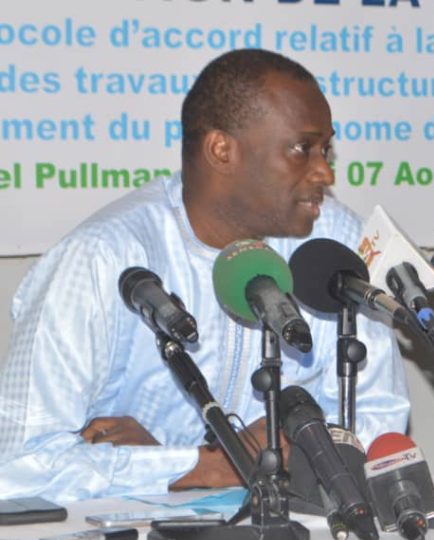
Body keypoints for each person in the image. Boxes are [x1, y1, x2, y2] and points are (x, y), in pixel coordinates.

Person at [0, 49, 409, 502]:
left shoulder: (334, 244)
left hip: (303, 531)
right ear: (222, 150)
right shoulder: (103, 257)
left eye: (325, 150)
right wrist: (202, 465)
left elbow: (379, 423)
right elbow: (18, 462)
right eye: (301, 149)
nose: (325, 172)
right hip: (133, 539)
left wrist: (177, 463)